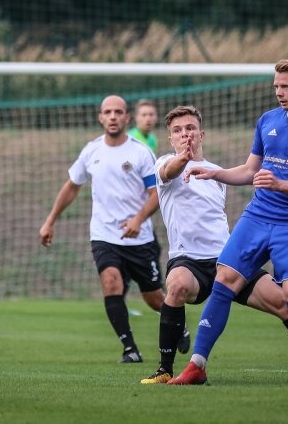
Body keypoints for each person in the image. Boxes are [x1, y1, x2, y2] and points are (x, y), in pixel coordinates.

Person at [140, 105, 288, 384]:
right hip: (189, 260)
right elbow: (169, 170)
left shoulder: (215, 173)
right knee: (176, 286)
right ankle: (165, 369)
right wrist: (182, 159)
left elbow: (246, 175)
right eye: (177, 131)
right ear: (170, 139)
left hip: (226, 257)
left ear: (201, 134)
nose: (184, 134)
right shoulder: (164, 164)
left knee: (286, 303)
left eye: (190, 128)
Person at [170, 58, 288, 386]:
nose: (279, 92)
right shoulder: (268, 120)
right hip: (259, 215)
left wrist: (279, 184)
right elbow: (250, 171)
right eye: (276, 86)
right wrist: (214, 173)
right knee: (224, 278)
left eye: (286, 86)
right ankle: (197, 365)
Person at [39, 95, 188, 363]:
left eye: (118, 112)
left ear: (126, 118)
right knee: (111, 282)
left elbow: (156, 193)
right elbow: (72, 186)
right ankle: (130, 349)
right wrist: (50, 221)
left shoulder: (140, 152)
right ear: (100, 117)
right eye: (107, 112)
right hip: (104, 235)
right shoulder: (91, 151)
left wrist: (138, 220)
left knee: (154, 298)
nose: (112, 116)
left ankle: (180, 325)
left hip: (139, 238)